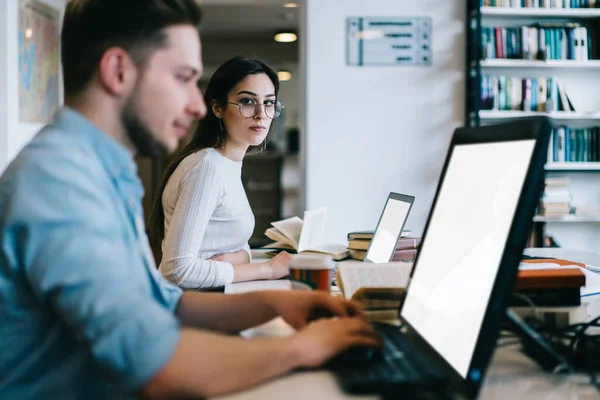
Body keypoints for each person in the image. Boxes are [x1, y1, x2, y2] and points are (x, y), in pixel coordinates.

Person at [0, 1, 380, 399]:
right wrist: (303, 348)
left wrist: (276, 303)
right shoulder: (62, 185)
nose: (198, 105)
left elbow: (165, 302)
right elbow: (159, 367)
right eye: (183, 78)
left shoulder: (104, 172)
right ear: (118, 72)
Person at [147, 56, 291, 290]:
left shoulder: (227, 164)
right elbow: (177, 270)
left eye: (268, 103)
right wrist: (268, 269)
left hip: (215, 295)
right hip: (196, 307)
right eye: (247, 101)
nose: (260, 113)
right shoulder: (206, 167)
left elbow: (236, 242)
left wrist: (240, 257)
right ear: (217, 108)